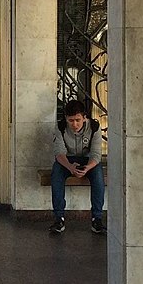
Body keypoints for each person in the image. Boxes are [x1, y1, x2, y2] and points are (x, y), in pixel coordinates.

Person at [49, 100, 105, 234]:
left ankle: (97, 219)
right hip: (67, 161)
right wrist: (70, 167)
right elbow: (59, 153)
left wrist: (87, 168)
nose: (74, 124)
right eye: (71, 120)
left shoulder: (94, 127)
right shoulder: (60, 127)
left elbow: (96, 154)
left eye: (78, 120)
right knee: (56, 173)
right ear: (66, 119)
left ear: (84, 117)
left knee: (98, 176)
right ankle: (59, 218)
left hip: (88, 161)